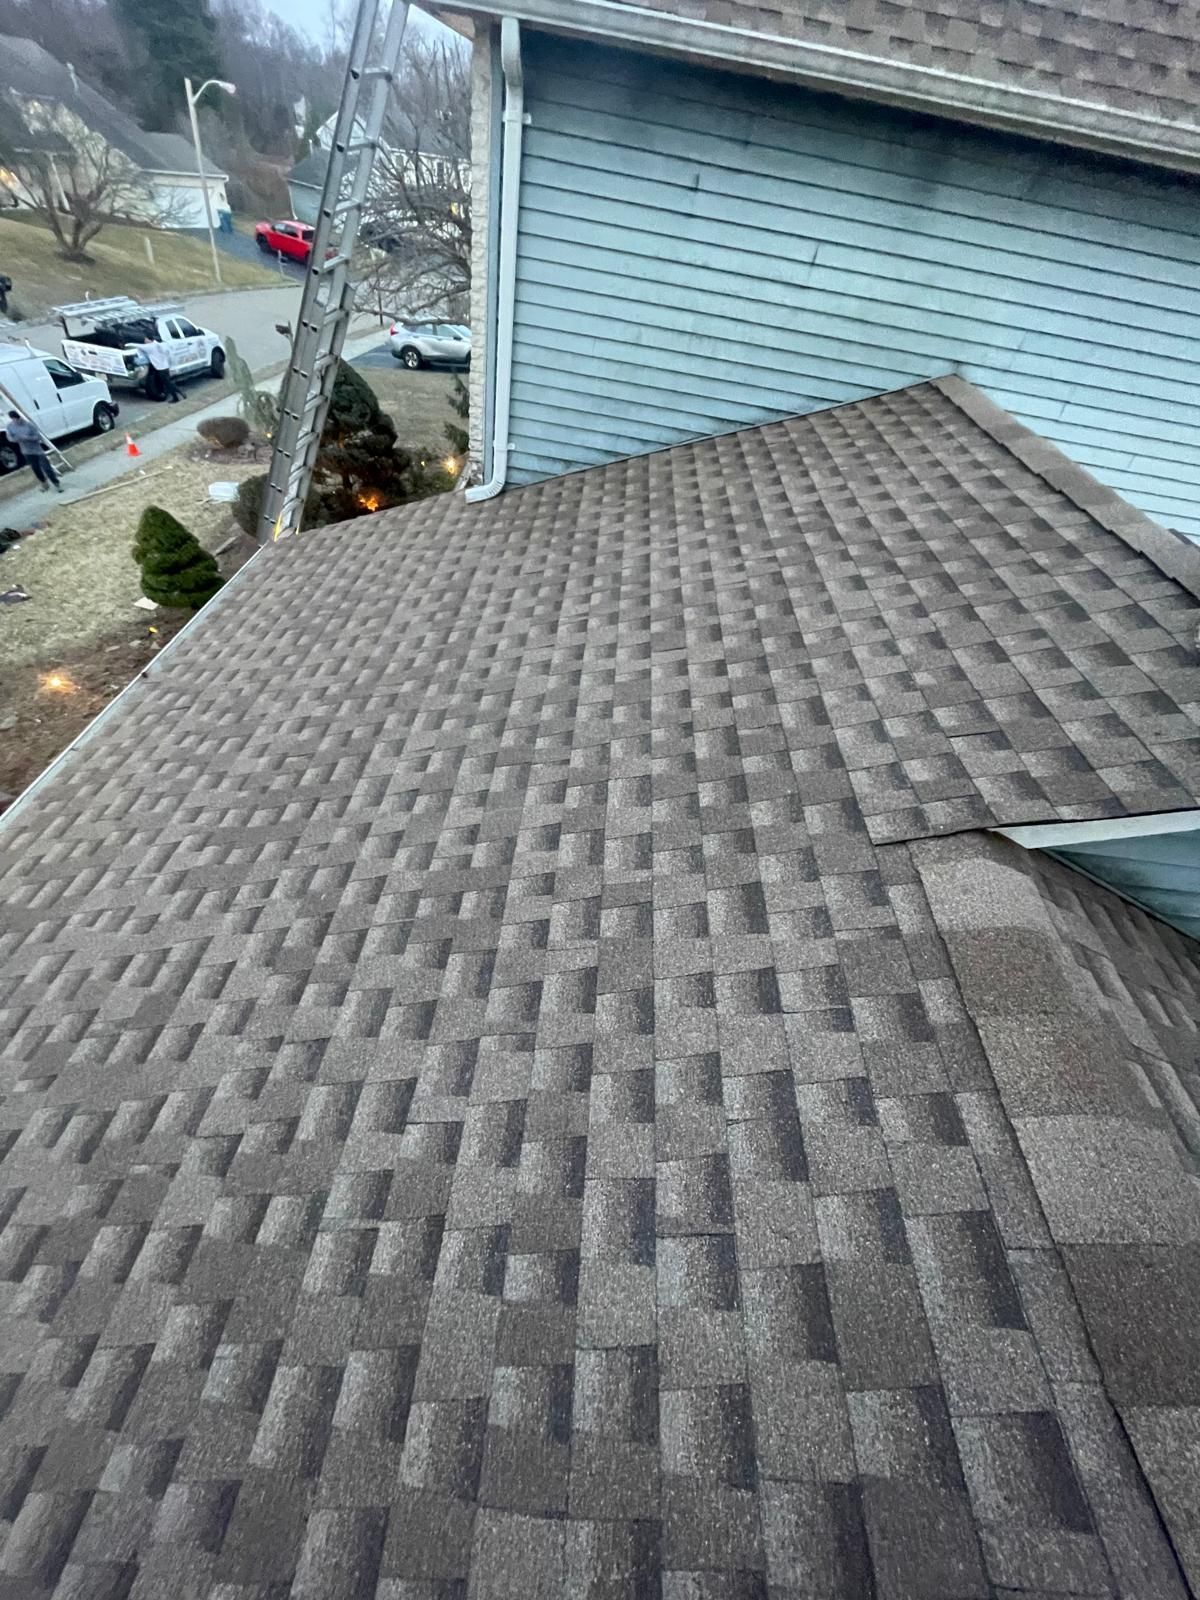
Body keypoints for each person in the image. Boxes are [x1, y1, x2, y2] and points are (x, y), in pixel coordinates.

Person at [5, 411, 61, 492]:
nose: (16, 421)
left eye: (17, 419)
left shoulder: (29, 425)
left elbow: (38, 437)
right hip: (26, 451)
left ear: (20, 417)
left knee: (46, 467)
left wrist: (27, 438)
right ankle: (44, 483)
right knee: (36, 469)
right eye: (14, 420)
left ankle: (56, 484)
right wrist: (16, 439)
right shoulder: (10, 426)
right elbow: (10, 438)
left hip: (37, 450)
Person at [145, 339, 183, 403]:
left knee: (168, 384)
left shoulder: (152, 347)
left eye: (146, 340)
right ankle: (178, 394)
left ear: (150, 340)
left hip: (161, 369)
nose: (145, 342)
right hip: (165, 367)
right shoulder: (159, 346)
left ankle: (177, 396)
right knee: (168, 383)